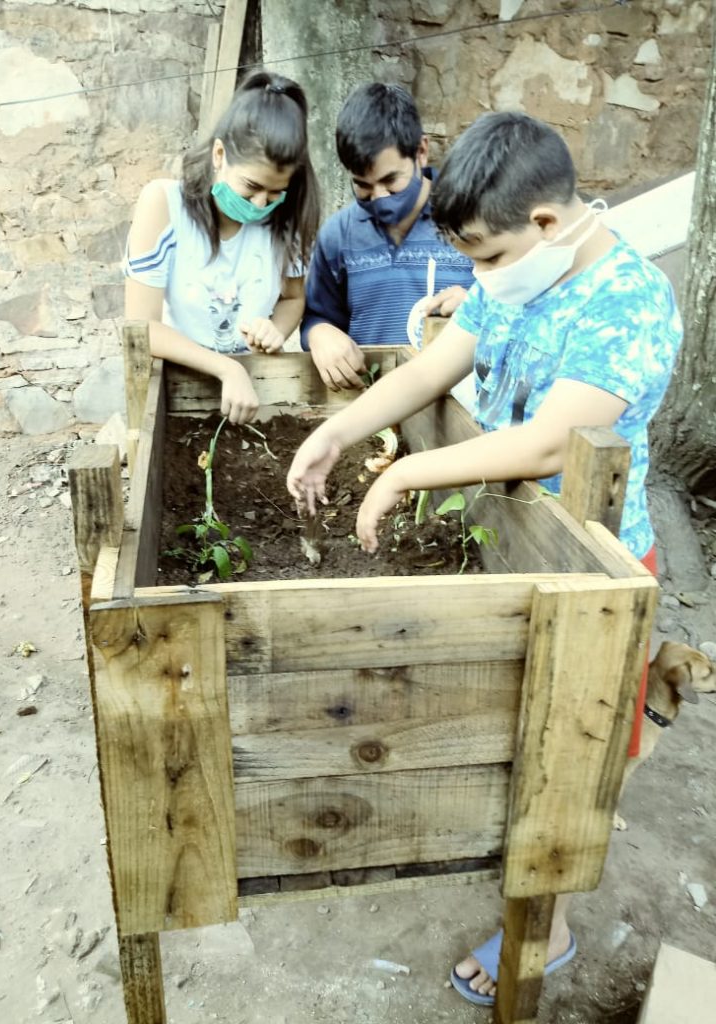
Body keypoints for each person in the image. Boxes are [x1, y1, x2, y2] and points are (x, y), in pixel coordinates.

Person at [287, 111, 682, 1005]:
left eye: (489, 256)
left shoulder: (629, 302)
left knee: (568, 757)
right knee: (503, 739)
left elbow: (548, 442)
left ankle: (549, 927)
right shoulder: (514, 274)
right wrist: (338, 432)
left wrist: (406, 472)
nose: (481, 275)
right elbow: (431, 370)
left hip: (590, 564)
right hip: (504, 543)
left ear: (545, 222)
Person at [124, 69, 320, 424]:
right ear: (219, 154)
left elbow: (293, 298)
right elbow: (142, 327)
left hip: (254, 392)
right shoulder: (165, 206)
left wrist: (274, 331)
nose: (260, 204)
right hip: (178, 389)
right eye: (251, 187)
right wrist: (227, 369)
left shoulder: (285, 220)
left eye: (275, 193)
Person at [300, 82, 475, 391]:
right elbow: (317, 315)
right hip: (369, 405)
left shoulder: (473, 222)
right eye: (362, 185)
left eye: (391, 180)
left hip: (459, 405)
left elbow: (521, 313)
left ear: (421, 152)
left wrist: (477, 307)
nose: (379, 197)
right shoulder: (338, 236)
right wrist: (319, 333)